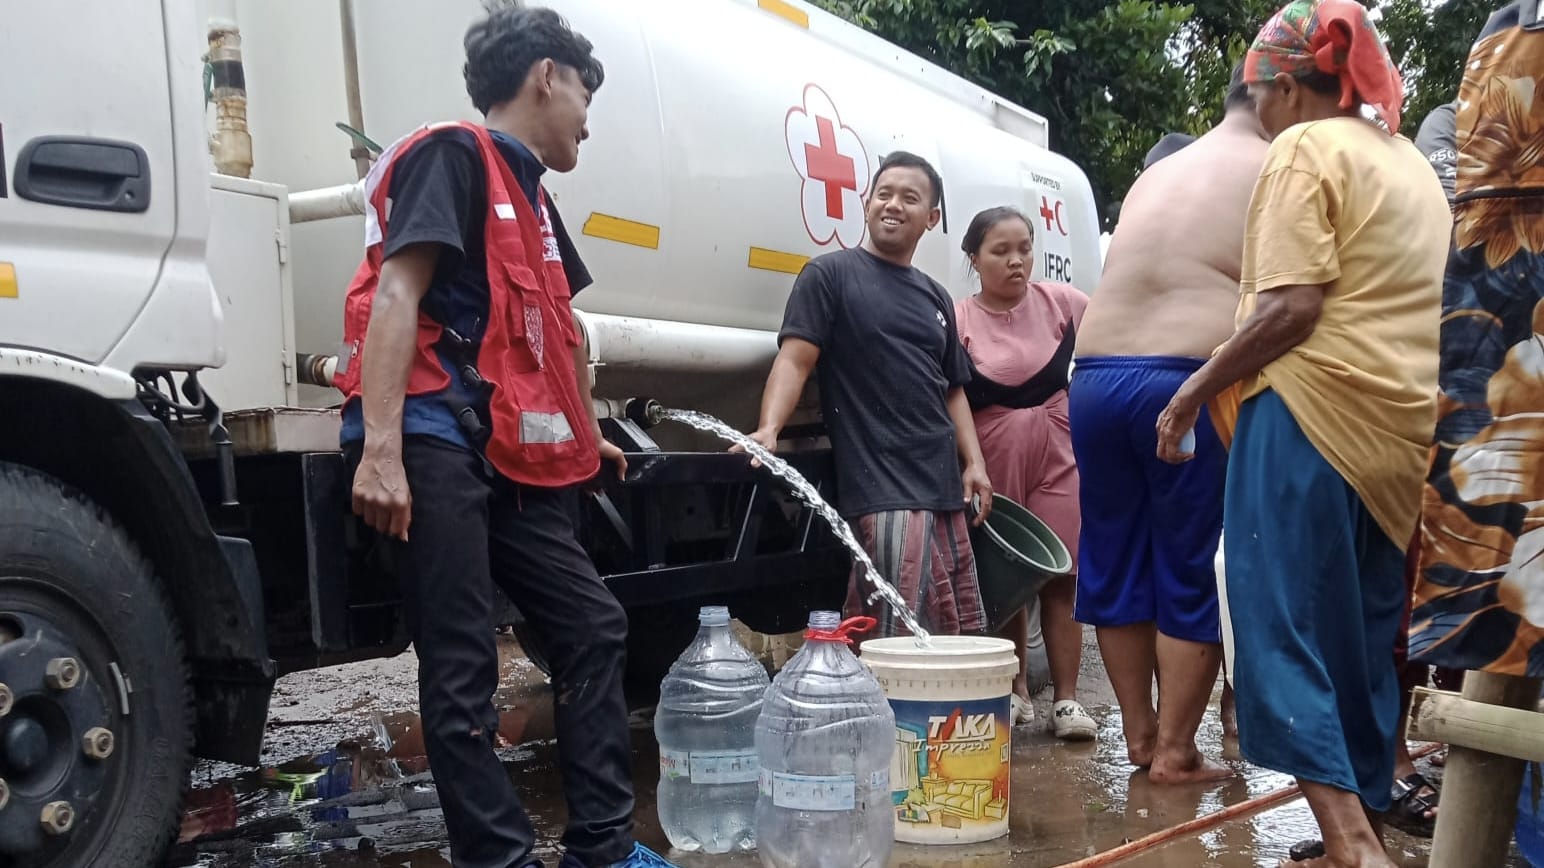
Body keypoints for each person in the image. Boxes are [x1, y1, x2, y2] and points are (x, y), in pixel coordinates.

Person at [337, 7, 675, 868]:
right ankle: (499, 859)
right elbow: (397, 298)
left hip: (508, 452)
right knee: (461, 665)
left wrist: (590, 434)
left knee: (593, 624)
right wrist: (381, 448)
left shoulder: (534, 197)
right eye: (585, 98)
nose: (588, 123)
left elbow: (558, 330)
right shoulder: (451, 155)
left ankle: (602, 850)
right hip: (434, 433)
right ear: (546, 77)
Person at [1154, 2, 1449, 866]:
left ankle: (1353, 845)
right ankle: (1356, 826)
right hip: (1399, 434)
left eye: (1259, 100)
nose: (1259, 118)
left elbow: (1292, 306)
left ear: (1284, 88)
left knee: (1277, 626)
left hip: (1309, 413)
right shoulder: (1410, 166)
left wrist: (1189, 395)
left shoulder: (1305, 150)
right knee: (1361, 639)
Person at [1069, 62, 1268, 783]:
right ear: (1283, 99)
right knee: (1191, 566)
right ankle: (1178, 753)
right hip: (1183, 379)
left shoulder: (1163, 172)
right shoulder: (1277, 161)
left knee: (1115, 560)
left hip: (1094, 381)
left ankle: (1143, 738)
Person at [743, 152, 993, 641]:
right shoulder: (829, 276)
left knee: (950, 630)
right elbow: (795, 360)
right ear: (866, 202)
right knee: (890, 633)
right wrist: (768, 428)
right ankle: (883, 719)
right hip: (882, 490)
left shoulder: (936, 295)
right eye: (884, 193)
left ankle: (936, 718)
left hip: (943, 488)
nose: (892, 205)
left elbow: (953, 390)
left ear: (932, 218)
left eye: (909, 197)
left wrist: (975, 463)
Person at [953, 206, 1097, 738]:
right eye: (1000, 251)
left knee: (1064, 576)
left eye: (1024, 249)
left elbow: (1115, 343)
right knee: (1009, 575)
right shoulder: (958, 319)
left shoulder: (1064, 304)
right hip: (993, 458)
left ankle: (1066, 701)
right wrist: (970, 464)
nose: (1016, 262)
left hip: (1060, 455)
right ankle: (1015, 692)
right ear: (974, 258)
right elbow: (949, 397)